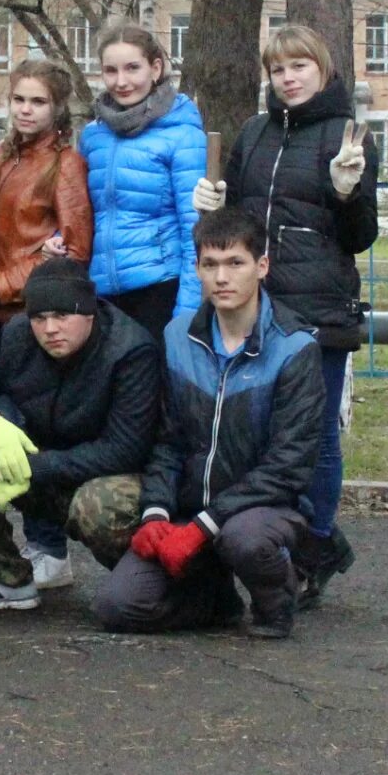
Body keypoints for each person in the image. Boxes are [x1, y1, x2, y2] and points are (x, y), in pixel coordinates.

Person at [193, 23, 377, 605]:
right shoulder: (255, 132)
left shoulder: (344, 136)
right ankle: (273, 539)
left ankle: (313, 550)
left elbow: (361, 236)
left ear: (321, 69)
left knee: (317, 436)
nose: (288, 78)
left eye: (299, 66)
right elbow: (239, 228)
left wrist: (348, 193)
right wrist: (215, 207)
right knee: (259, 433)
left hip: (319, 310)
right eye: (277, 69)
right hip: (260, 309)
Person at [92, 207, 322, 640]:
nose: (222, 277)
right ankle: (214, 598)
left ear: (262, 266)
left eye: (235, 263)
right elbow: (167, 439)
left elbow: (288, 466)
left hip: (264, 512)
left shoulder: (294, 348)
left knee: (246, 540)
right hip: (188, 510)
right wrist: (157, 513)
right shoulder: (178, 337)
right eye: (210, 264)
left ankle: (277, 602)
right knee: (117, 607)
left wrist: (208, 524)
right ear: (196, 268)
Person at [0, 258, 160, 611]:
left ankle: (156, 583)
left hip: (106, 481)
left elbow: (125, 449)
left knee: (98, 506)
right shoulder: (18, 336)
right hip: (40, 471)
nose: (50, 328)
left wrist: (32, 467)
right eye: (39, 317)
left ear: (89, 313)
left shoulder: (131, 350)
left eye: (62, 316)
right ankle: (8, 580)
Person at [78, 22, 207, 340]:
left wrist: (187, 313)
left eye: (132, 68)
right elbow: (83, 211)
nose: (121, 82)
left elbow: (197, 231)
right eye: (111, 70)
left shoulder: (182, 134)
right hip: (102, 293)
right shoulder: (93, 135)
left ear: (156, 68)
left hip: (160, 290)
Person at [0, 58, 93, 340]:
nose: (25, 109)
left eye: (38, 102)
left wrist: (0, 286)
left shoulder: (65, 163)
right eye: (19, 99)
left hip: (29, 315)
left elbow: (75, 252)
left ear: (57, 108)